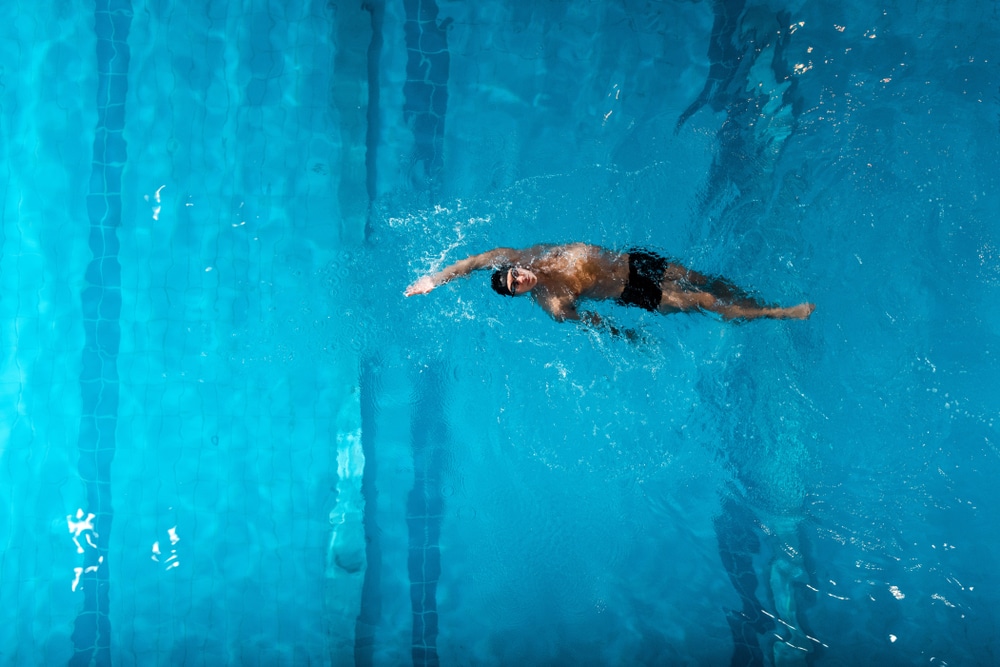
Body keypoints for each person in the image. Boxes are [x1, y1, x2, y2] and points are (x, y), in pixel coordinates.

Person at [404, 243, 814, 332]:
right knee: (703, 300)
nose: (520, 279)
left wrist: (433, 280)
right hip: (634, 294)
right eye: (515, 286)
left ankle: (751, 296)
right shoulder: (553, 303)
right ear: (520, 295)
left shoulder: (526, 255)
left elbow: (472, 264)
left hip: (632, 262)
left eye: (514, 274)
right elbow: (589, 323)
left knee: (703, 279)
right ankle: (777, 313)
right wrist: (623, 335)